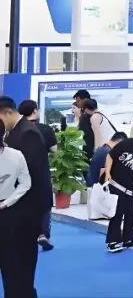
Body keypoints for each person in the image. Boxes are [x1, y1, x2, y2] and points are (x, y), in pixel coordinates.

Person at [0, 94, 49, 297]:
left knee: (22, 264)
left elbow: (32, 177)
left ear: (7, 112)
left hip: (25, 211)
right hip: (15, 209)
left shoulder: (27, 133)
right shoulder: (14, 132)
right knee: (15, 264)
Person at [0, 119, 33, 297]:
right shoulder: (16, 155)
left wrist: (6, 202)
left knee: (10, 263)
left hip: (8, 213)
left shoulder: (15, 155)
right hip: (8, 211)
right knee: (11, 263)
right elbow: (25, 183)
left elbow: (25, 183)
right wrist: (7, 202)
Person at [18, 100, 56, 252]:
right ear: (35, 111)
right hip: (41, 172)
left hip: (20, 173)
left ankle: (26, 234)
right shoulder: (45, 129)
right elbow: (55, 151)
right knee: (45, 203)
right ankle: (43, 233)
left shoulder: (16, 130)